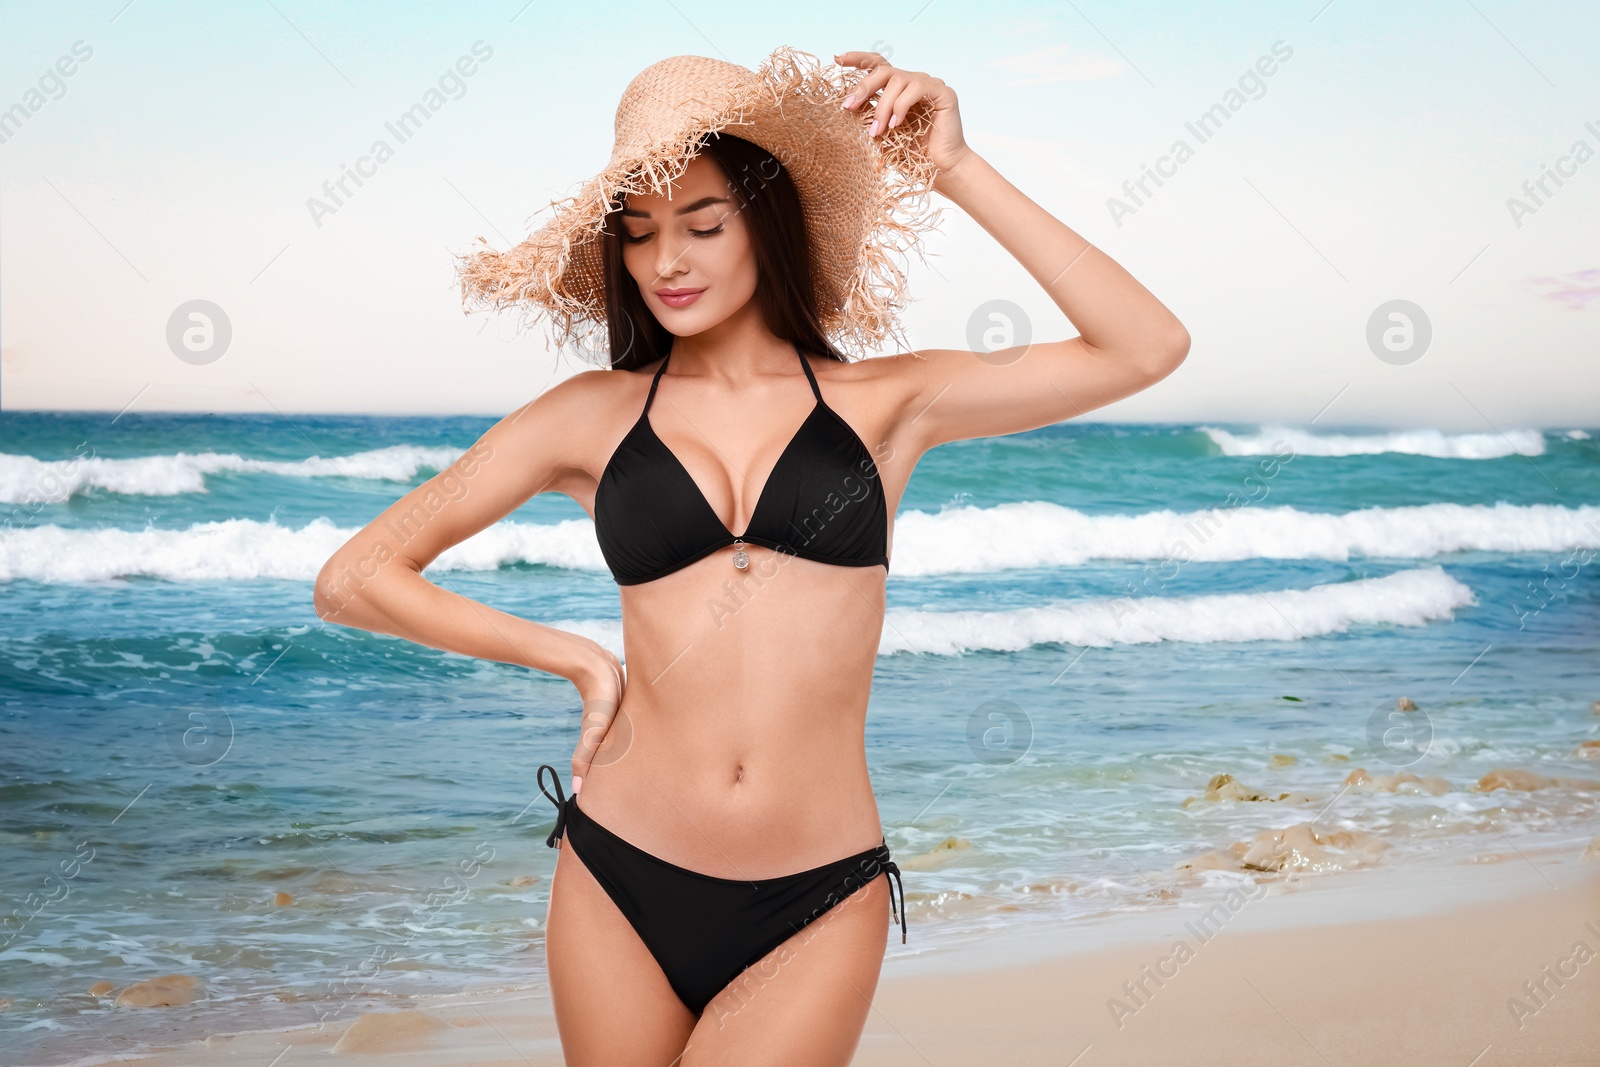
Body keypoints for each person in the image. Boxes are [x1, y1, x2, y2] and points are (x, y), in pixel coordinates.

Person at [314, 45, 1188, 1066]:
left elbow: (1144, 346)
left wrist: (952, 166)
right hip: (619, 873)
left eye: (702, 223)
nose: (665, 261)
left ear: (765, 223)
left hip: (816, 889)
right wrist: (578, 659)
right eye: (637, 234)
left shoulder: (885, 404)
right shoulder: (586, 417)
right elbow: (354, 576)